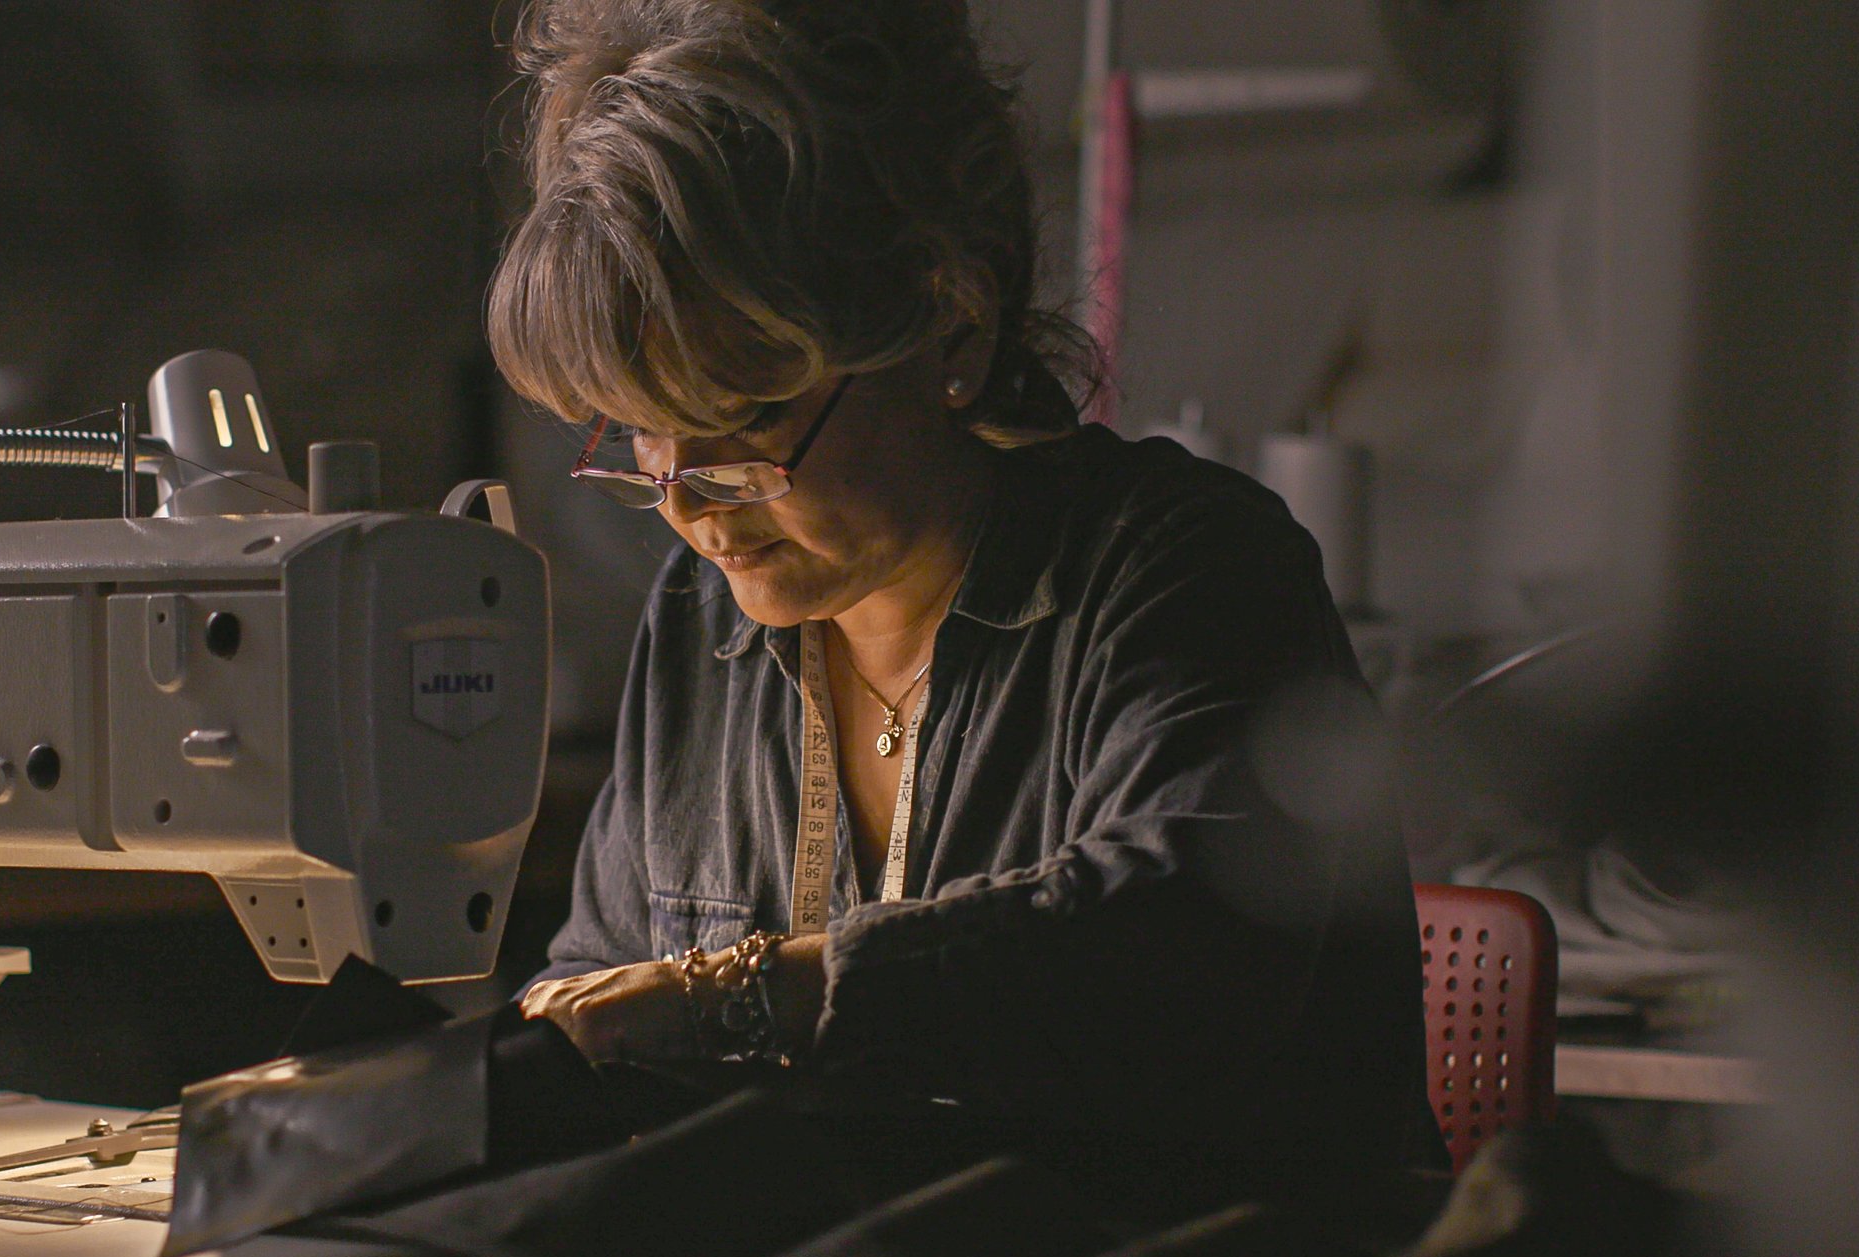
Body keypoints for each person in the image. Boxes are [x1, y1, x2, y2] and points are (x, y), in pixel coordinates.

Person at [496, 0, 1436, 1188]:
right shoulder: (701, 625)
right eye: (638, 436)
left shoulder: (1191, 574)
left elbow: (1185, 955)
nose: (686, 501)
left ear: (950, 317)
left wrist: (733, 997)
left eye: (739, 425)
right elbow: (603, 991)